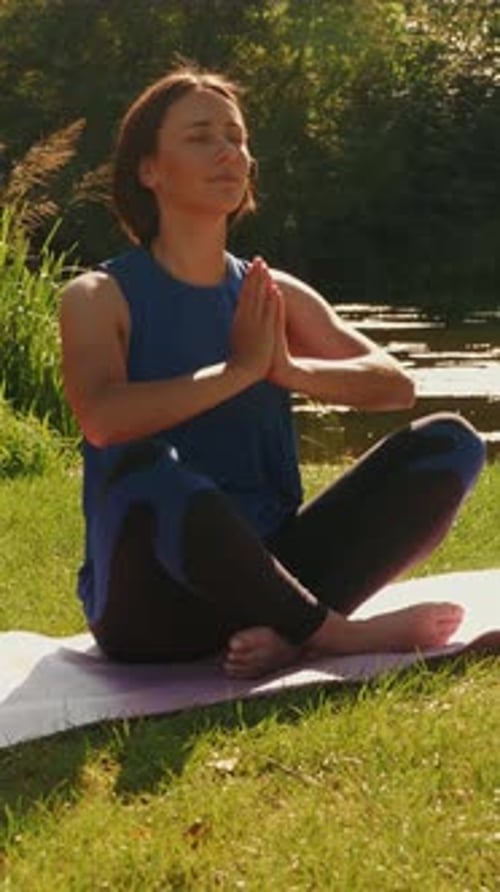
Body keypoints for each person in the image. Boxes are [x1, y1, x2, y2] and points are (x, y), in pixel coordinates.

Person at [60, 64, 486, 679]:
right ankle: (334, 635)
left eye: (236, 137)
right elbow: (102, 419)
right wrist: (237, 372)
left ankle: (293, 630)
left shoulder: (271, 292)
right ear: (148, 169)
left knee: (450, 444)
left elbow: (394, 385)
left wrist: (285, 368)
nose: (227, 151)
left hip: (278, 571)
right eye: (201, 136)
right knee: (143, 465)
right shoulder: (98, 296)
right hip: (151, 609)